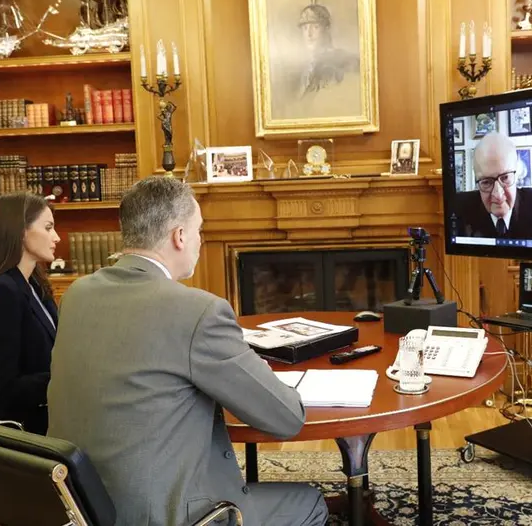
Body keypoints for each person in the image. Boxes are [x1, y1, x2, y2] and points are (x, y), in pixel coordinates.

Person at [47, 177, 327, 526]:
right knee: (310, 501)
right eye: (199, 230)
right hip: (162, 516)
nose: (200, 240)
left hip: (82, 507)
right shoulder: (197, 311)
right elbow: (286, 418)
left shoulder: (77, 295)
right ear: (179, 236)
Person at [0, 192, 60, 434]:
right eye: (48, 228)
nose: (56, 237)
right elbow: (2, 389)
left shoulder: (34, 282)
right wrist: (66, 379)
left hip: (49, 408)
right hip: (23, 429)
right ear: (21, 231)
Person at [453, 132, 532, 239]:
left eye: (505, 177)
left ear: (517, 174)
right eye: (486, 182)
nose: (497, 194)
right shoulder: (458, 208)